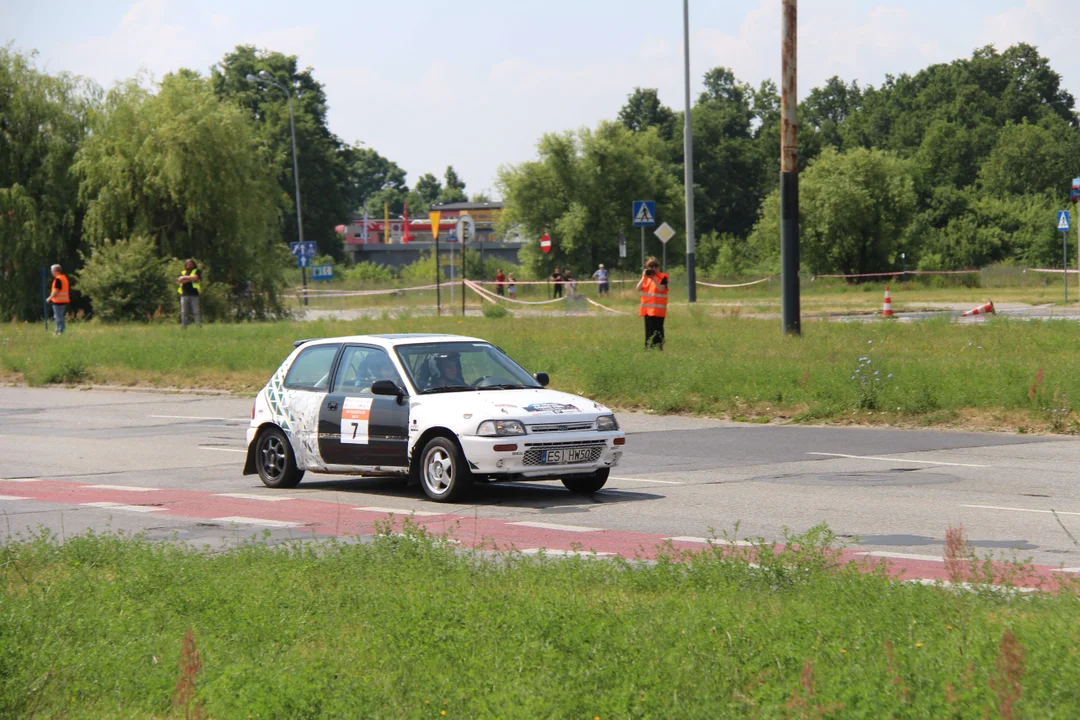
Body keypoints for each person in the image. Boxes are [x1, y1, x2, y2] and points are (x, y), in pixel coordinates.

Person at [635, 256, 669, 350]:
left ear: (658, 267)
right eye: (651, 266)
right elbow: (638, 288)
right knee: (649, 331)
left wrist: (653, 278)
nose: (653, 268)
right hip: (647, 311)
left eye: (656, 266)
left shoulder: (662, 277)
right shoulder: (645, 278)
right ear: (647, 267)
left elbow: (661, 288)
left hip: (658, 311)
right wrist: (643, 277)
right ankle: (648, 349)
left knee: (658, 331)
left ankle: (659, 349)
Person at [177, 259, 202, 327]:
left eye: (191, 264)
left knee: (196, 312)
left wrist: (184, 278)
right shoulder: (182, 272)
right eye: (188, 264)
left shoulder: (197, 271)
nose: (189, 265)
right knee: (184, 312)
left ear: (193, 264)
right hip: (184, 295)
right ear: (185, 265)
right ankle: (184, 326)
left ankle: (198, 326)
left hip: (194, 295)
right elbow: (179, 280)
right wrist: (190, 279)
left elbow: (196, 278)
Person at [47, 264, 70, 335]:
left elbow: (56, 290)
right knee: (58, 316)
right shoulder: (64, 278)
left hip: (58, 301)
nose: (52, 273)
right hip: (64, 300)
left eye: (52, 271)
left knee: (58, 317)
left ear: (56, 271)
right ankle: (58, 330)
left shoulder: (58, 279)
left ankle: (60, 330)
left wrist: (49, 298)